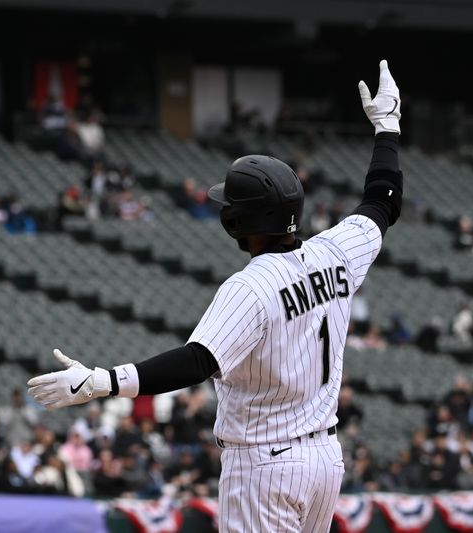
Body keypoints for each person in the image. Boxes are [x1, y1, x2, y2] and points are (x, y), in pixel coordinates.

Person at [28, 59, 403, 533]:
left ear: (237, 222)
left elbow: (198, 361)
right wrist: (387, 128)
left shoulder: (251, 286)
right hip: (324, 460)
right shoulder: (337, 251)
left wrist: (104, 381)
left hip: (265, 465)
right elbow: (383, 201)